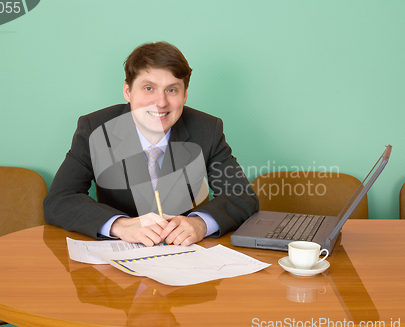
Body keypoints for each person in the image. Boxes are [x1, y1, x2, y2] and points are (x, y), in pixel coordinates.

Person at [43, 41, 258, 247]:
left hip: (182, 260)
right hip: (117, 267)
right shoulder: (95, 128)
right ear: (128, 91)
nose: (161, 102)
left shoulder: (207, 129)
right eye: (149, 88)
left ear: (184, 95)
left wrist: (201, 223)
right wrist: (120, 225)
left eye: (172, 90)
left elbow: (242, 195)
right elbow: (60, 200)